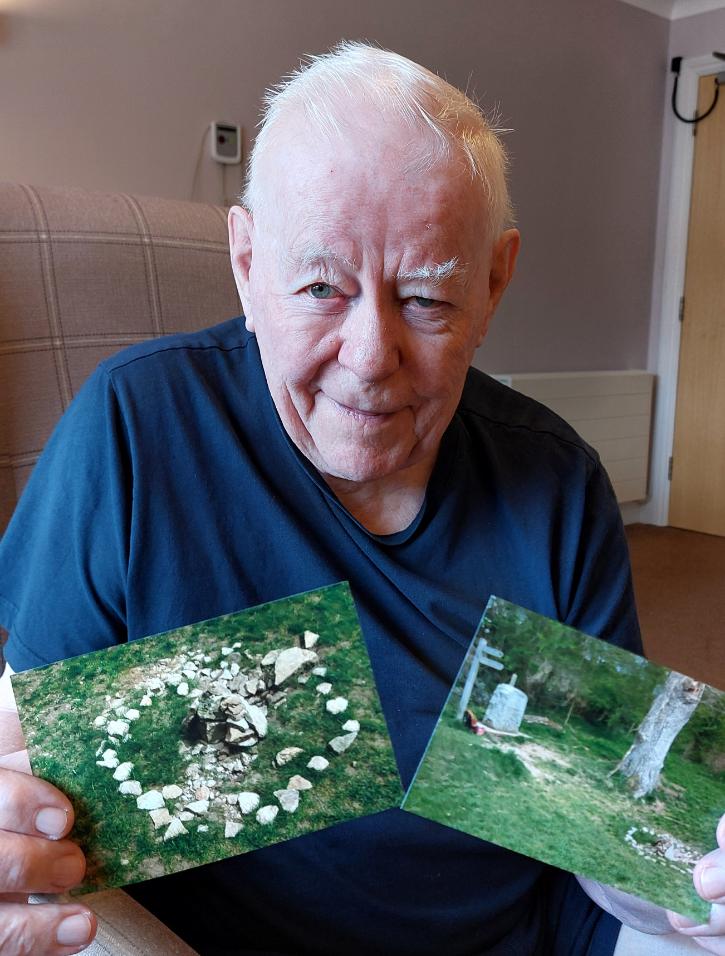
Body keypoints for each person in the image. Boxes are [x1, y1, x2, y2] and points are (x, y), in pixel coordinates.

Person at [0, 40, 723, 956]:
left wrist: (691, 884)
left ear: (493, 281)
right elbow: (32, 755)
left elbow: (606, 827)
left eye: (425, 298)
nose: (369, 354)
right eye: (319, 287)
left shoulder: (555, 479)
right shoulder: (139, 427)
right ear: (246, 263)